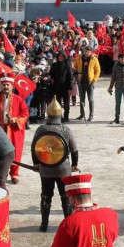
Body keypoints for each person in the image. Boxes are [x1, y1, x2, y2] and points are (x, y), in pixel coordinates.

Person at [30, 97, 79, 231]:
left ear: (48, 114)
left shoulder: (41, 129)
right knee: (65, 196)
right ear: (59, 114)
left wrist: (36, 163)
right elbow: (74, 150)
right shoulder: (66, 130)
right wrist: (74, 164)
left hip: (46, 167)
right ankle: (68, 224)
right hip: (63, 168)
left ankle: (44, 224)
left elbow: (35, 148)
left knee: (46, 195)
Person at [0, 74, 29, 184]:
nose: (6, 86)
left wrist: (16, 120)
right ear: (1, 86)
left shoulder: (19, 99)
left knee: (15, 151)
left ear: (12, 86)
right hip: (0, 130)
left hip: (14, 130)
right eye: (4, 84)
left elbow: (25, 113)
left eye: (8, 85)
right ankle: (3, 173)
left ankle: (15, 173)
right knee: (1, 152)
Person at [74, 46, 101, 121]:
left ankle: (91, 115)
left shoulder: (94, 59)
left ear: (91, 52)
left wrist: (94, 79)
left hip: (90, 82)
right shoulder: (79, 58)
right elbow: (75, 66)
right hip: (81, 81)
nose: (86, 53)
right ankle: (82, 114)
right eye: (85, 51)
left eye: (88, 52)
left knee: (90, 99)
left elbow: (98, 70)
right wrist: (75, 71)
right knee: (82, 99)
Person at [107, 53, 124, 125]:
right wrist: (110, 87)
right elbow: (113, 77)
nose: (123, 60)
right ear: (118, 59)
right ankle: (117, 118)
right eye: (121, 59)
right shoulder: (116, 66)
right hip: (118, 87)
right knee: (117, 104)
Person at [50, 51, 74, 122]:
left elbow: (70, 77)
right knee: (58, 103)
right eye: (59, 56)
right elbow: (51, 74)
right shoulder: (54, 65)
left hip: (65, 87)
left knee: (66, 102)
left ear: (64, 57)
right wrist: (48, 77)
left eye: (62, 56)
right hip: (56, 87)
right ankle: (59, 116)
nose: (60, 57)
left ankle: (66, 116)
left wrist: (70, 87)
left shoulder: (67, 65)